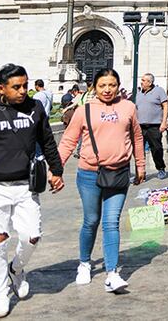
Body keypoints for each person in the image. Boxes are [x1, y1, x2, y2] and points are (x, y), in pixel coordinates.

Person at [0, 63, 64, 319]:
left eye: (25, 86)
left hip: (25, 185)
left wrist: (57, 171)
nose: (22, 91)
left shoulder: (35, 108)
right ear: (1, 88)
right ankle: (0, 293)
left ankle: (17, 269)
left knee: (32, 236)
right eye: (16, 87)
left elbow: (47, 140)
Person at [58, 68, 144, 293]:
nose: (107, 90)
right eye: (102, 85)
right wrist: (55, 169)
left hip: (118, 173)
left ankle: (112, 273)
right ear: (94, 88)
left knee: (111, 222)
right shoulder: (83, 110)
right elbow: (68, 140)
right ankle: (84, 263)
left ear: (118, 86)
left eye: (112, 85)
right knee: (91, 220)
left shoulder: (128, 107)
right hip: (89, 174)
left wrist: (141, 165)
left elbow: (137, 137)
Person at [135, 74, 168, 180]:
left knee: (156, 148)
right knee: (139, 151)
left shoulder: (159, 91)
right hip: (140, 126)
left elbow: (165, 106)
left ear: (150, 82)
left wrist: (164, 122)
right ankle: (140, 173)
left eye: (143, 80)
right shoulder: (138, 93)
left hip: (154, 125)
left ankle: (160, 168)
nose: (141, 82)